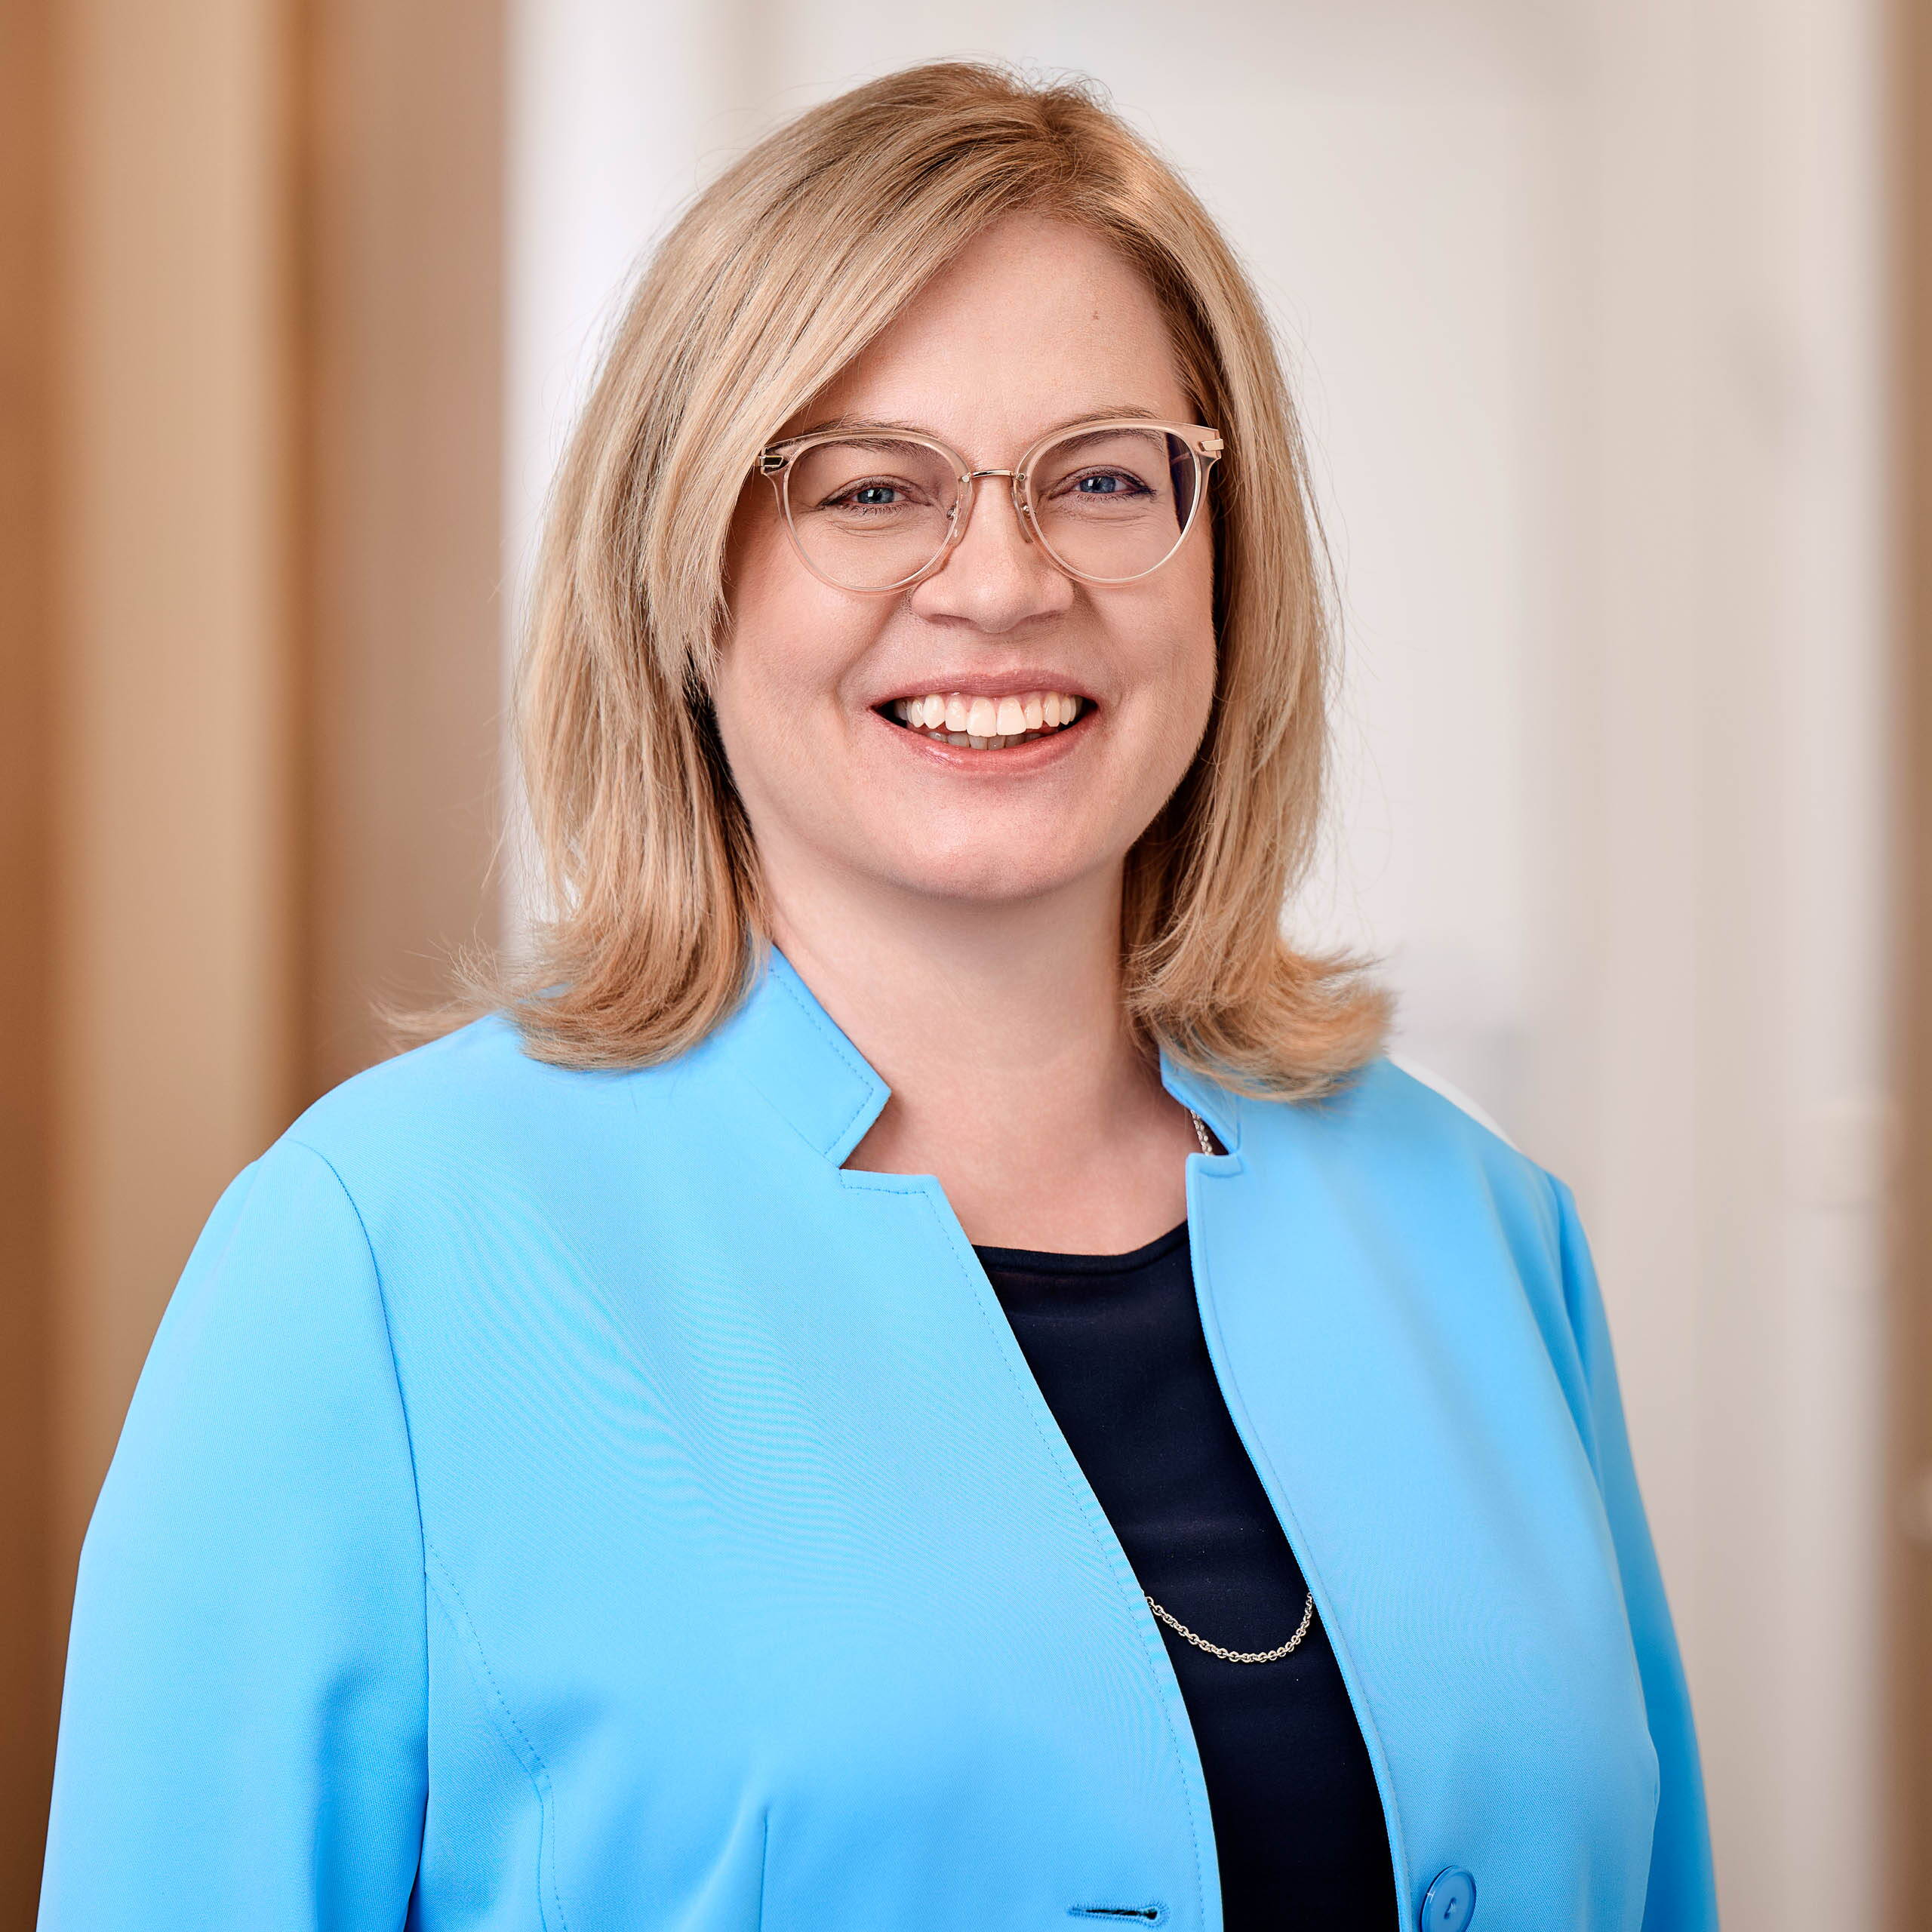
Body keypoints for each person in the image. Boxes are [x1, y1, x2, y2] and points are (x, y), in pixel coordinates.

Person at [38, 62, 1716, 1932]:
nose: (999, 583)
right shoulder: (373, 1261)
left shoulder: (1480, 1230)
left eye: (1103, 478)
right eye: (868, 488)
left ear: (1223, 565)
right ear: (685, 572)